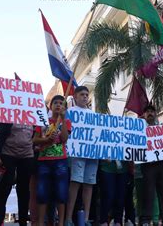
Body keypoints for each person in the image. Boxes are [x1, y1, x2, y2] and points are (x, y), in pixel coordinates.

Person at [0, 121, 35, 226]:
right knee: (3, 191)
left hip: (27, 156)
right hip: (7, 154)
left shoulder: (32, 114)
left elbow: (36, 134)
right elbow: (1, 133)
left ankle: (23, 222)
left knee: (24, 192)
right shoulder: (10, 113)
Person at [34, 95, 70, 226]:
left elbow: (65, 139)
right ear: (51, 106)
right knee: (42, 193)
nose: (58, 105)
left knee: (61, 193)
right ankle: (40, 222)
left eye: (61, 103)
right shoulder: (43, 121)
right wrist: (46, 140)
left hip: (61, 161)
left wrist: (64, 120)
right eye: (56, 103)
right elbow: (34, 139)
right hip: (44, 160)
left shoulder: (66, 122)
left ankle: (60, 223)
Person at [65, 86, 98, 226]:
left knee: (89, 184)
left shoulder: (93, 114)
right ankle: (68, 218)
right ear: (75, 96)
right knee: (75, 183)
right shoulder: (70, 112)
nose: (85, 97)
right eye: (82, 94)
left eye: (86, 94)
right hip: (77, 153)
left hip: (92, 154)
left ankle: (85, 218)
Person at [139, 105, 163, 226]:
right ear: (143, 115)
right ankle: (145, 220)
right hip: (148, 165)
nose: (150, 113)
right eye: (147, 111)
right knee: (148, 193)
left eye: (152, 111)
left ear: (156, 114)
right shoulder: (139, 130)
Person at [99, 160, 129, 226]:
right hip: (107, 165)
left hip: (123, 167)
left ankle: (118, 221)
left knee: (121, 197)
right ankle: (103, 221)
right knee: (108, 195)